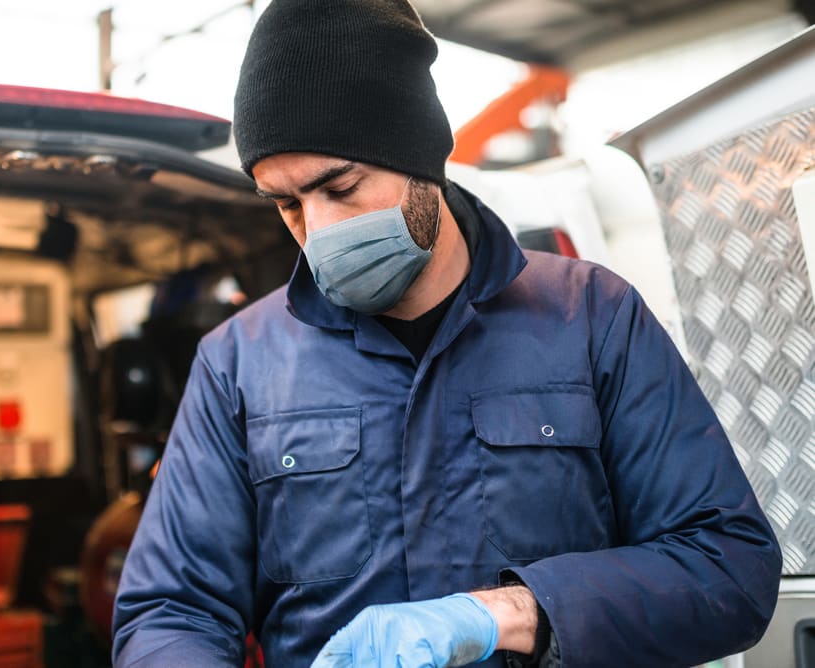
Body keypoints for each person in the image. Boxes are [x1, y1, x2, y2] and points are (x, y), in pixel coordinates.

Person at [111, 0, 782, 665]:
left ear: (419, 155)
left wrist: (510, 613)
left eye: (339, 185)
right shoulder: (239, 363)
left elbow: (725, 569)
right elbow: (170, 612)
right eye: (287, 203)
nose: (316, 231)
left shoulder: (590, 319)